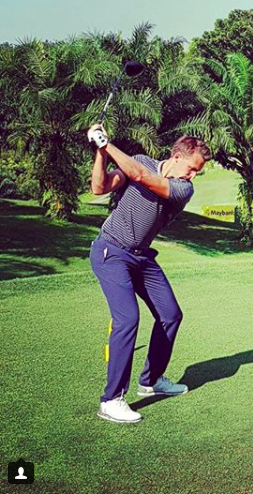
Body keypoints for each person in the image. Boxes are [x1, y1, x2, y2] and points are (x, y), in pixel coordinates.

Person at [86, 124, 211, 424]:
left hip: (141, 257)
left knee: (170, 315)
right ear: (177, 157)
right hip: (111, 251)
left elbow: (143, 177)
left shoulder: (183, 189)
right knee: (127, 319)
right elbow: (99, 187)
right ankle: (111, 400)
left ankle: (152, 380)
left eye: (197, 172)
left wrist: (106, 144)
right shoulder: (140, 161)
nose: (193, 176)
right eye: (192, 168)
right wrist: (101, 152)